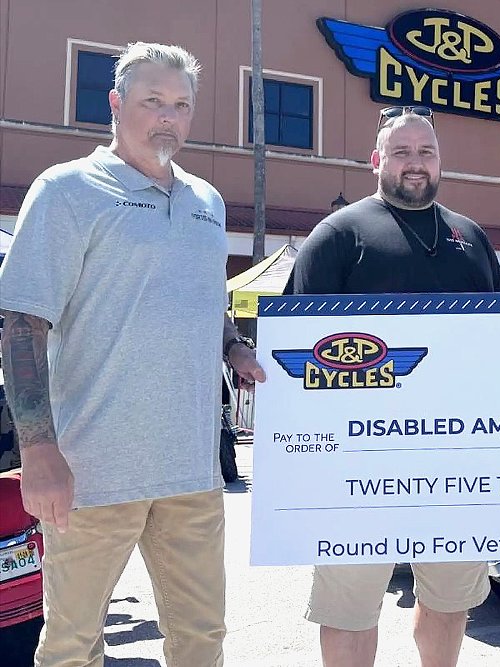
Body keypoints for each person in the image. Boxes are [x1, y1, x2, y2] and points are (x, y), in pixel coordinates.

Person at [0, 42, 266, 666]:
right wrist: (38, 449)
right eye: (152, 102)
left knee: (202, 639)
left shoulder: (207, 203)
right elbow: (21, 323)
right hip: (90, 473)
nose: (167, 117)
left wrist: (233, 348)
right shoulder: (66, 191)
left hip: (192, 473)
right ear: (117, 105)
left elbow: (209, 305)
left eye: (181, 104)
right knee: (72, 644)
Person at [284, 106, 500, 667]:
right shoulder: (338, 235)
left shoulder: (471, 237)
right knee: (350, 607)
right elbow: (294, 346)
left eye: (425, 152)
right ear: (375, 160)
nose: (415, 163)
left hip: (456, 457)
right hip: (358, 460)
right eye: (401, 152)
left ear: (440, 162)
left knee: (449, 600)